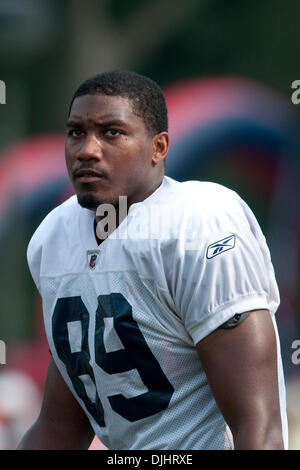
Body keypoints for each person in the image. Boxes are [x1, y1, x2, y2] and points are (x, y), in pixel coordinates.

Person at [18, 70, 288, 450]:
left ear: (158, 148)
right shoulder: (54, 236)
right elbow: (60, 426)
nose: (87, 150)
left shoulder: (198, 224)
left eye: (112, 132)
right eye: (76, 132)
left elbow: (258, 427)